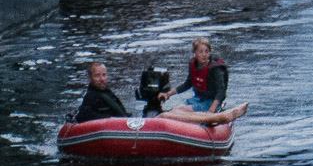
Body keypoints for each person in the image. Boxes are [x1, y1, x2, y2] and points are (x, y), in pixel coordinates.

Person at [76, 60, 246, 126]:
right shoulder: (92, 96)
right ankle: (219, 118)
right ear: (89, 78)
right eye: (97, 76)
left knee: (172, 113)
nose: (102, 79)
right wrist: (114, 122)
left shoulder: (105, 92)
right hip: (122, 126)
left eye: (104, 75)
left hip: (128, 124)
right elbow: (86, 115)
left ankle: (216, 118)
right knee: (166, 117)